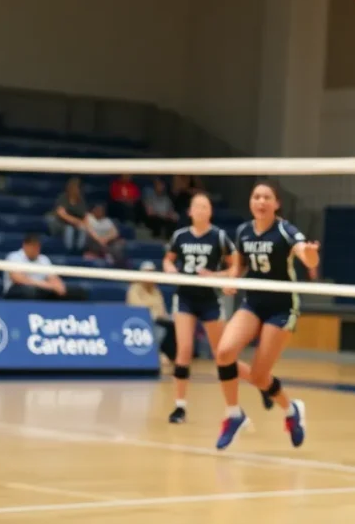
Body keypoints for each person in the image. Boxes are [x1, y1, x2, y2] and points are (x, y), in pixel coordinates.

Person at [213, 181, 318, 450]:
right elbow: (239, 266)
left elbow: (306, 257)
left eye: (267, 197)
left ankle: (291, 410)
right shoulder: (243, 231)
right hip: (253, 303)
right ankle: (234, 414)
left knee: (260, 377)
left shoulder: (285, 230)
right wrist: (231, 279)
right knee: (224, 353)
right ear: (251, 201)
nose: (261, 201)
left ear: (276, 203)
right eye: (256, 197)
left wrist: (310, 255)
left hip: (282, 307)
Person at [164, 193, 237, 423]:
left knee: (221, 353)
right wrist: (170, 269)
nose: (201, 210)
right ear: (190, 212)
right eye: (197, 206)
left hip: (209, 299)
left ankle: (232, 407)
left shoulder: (219, 236)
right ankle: (179, 406)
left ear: (210, 211)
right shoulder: (180, 236)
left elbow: (235, 266)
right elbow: (168, 259)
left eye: (205, 206)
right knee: (184, 350)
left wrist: (217, 276)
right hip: (185, 297)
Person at [3, 234, 89, 301]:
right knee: (30, 291)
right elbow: (19, 279)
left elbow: (53, 278)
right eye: (33, 247)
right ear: (25, 246)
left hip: (41, 290)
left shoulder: (43, 259)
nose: (36, 250)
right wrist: (47, 286)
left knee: (78, 292)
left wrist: (59, 286)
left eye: (38, 247)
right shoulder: (14, 256)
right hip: (17, 290)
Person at [126, 260, 175, 366]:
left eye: (152, 272)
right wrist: (154, 314)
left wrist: (165, 316)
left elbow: (162, 309)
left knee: (173, 325)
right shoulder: (134, 288)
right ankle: (156, 353)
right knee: (160, 328)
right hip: (141, 320)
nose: (149, 275)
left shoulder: (156, 290)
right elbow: (136, 307)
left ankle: (172, 355)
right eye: (147, 272)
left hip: (159, 319)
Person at [50, 177, 88, 252]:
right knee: (69, 229)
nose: (76, 190)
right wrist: (77, 221)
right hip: (61, 223)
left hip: (76, 225)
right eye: (74, 187)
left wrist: (81, 223)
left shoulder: (81, 201)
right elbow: (62, 214)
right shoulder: (63, 198)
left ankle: (79, 250)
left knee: (83, 229)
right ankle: (68, 251)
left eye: (78, 188)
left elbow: (85, 216)